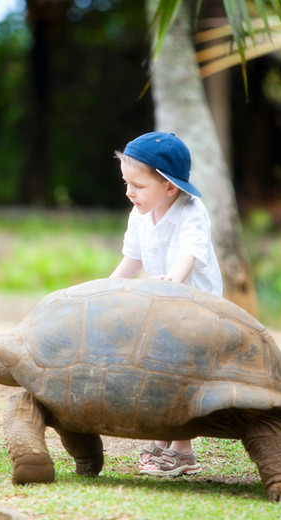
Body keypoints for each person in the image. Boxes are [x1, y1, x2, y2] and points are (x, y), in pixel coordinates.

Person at [109, 131, 223, 477]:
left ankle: (183, 450)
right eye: (126, 183)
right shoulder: (140, 213)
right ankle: (162, 440)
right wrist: (106, 289)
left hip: (196, 310)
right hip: (164, 305)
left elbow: (189, 253)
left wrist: (172, 279)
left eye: (139, 186)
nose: (130, 192)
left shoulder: (192, 211)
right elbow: (132, 258)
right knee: (155, 372)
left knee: (178, 375)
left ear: (170, 187)